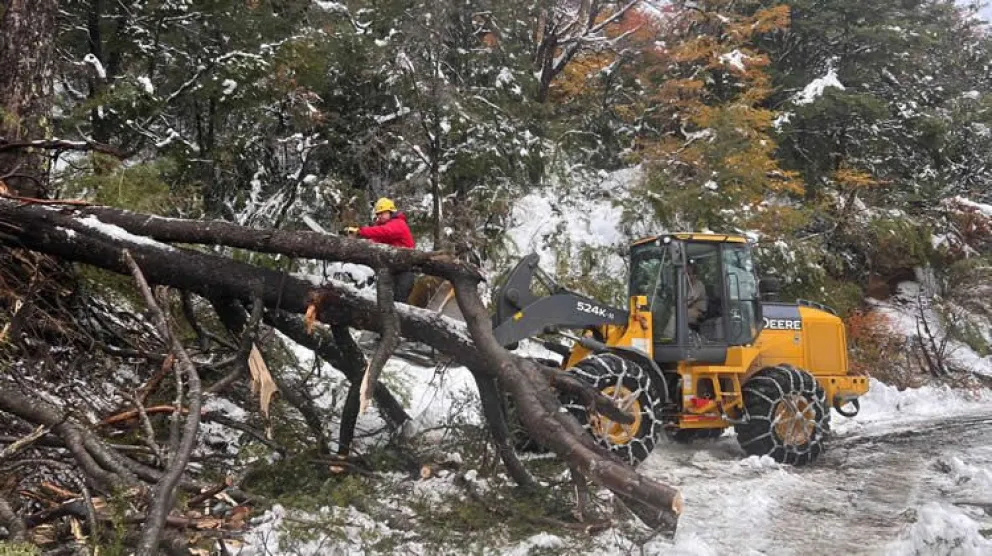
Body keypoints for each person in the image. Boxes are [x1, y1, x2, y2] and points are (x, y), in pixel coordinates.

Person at [344, 197, 416, 302]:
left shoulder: (398, 224)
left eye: (382, 213)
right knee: (386, 302)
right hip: (391, 270)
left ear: (390, 211)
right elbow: (374, 241)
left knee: (399, 302)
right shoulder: (384, 226)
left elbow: (384, 232)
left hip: (404, 271)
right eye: (378, 214)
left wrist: (360, 232)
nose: (380, 216)